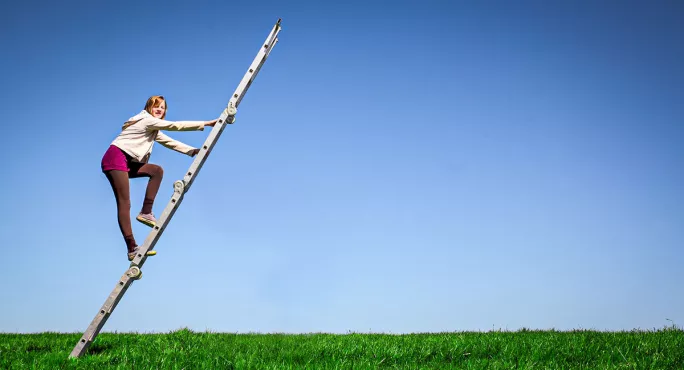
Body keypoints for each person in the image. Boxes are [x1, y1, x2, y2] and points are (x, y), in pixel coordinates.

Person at [100, 95, 218, 261]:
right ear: (149, 107)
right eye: (156, 106)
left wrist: (193, 151)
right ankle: (132, 247)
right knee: (124, 202)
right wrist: (206, 123)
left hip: (126, 160)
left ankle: (146, 212)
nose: (160, 110)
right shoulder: (147, 120)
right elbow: (175, 126)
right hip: (116, 158)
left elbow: (170, 142)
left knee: (156, 171)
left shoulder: (153, 129)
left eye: (162, 107)